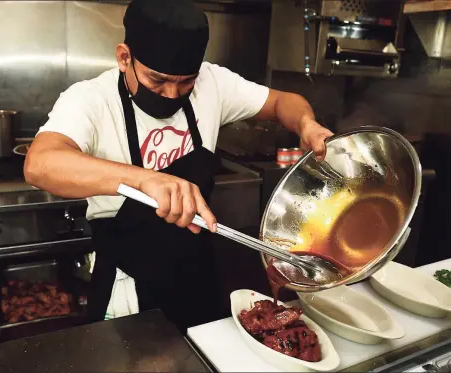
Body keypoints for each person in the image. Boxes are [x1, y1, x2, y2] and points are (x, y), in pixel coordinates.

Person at [24, 0, 333, 332]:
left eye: (185, 82)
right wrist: (144, 180)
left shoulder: (212, 84)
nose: (172, 95)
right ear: (124, 57)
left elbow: (281, 101)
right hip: (129, 280)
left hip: (196, 271)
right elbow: (40, 163)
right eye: (157, 81)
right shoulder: (90, 99)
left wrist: (306, 123)